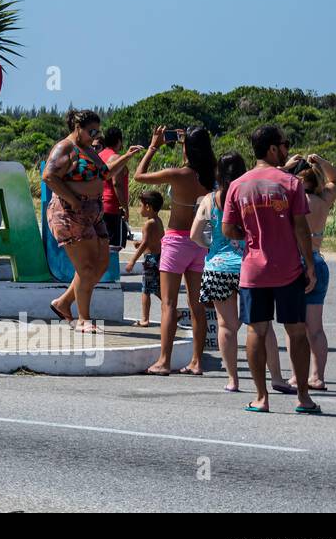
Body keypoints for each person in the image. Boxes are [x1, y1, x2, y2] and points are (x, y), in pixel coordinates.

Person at [223, 125, 320, 415]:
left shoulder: (238, 185)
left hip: (253, 271)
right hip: (288, 269)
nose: (287, 150)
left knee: (256, 330)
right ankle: (303, 397)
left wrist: (253, 238)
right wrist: (310, 265)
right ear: (272, 149)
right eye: (284, 144)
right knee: (296, 332)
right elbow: (301, 228)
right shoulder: (290, 183)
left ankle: (261, 397)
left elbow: (228, 228)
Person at [192, 151, 285, 393]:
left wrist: (211, 248)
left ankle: (233, 379)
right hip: (250, 266)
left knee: (226, 326)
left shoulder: (209, 200)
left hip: (218, 268)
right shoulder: (250, 196)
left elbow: (194, 235)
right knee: (263, 326)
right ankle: (276, 377)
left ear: (218, 173)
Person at [44, 110, 143, 332]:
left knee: (102, 264)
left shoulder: (88, 149)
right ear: (78, 127)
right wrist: (73, 199)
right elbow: (49, 176)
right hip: (71, 212)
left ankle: (63, 303)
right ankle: (83, 320)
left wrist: (126, 156)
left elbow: (104, 174)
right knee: (86, 267)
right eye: (91, 131)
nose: (95, 135)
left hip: (93, 212)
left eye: (98, 131)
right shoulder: (65, 148)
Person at [134, 126, 215, 376]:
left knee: (168, 304)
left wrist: (154, 145)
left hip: (177, 241)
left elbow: (139, 176)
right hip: (200, 242)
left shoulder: (177, 174)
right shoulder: (212, 177)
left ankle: (164, 361)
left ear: (187, 149)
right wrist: (186, 145)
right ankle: (196, 362)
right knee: (197, 305)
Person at [283, 152, 336, 389]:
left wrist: (285, 167)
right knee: (315, 327)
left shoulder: (291, 201)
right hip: (317, 260)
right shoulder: (323, 199)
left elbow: (266, 179)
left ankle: (298, 375)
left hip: (294, 263)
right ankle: (317, 376)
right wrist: (321, 161)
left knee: (294, 326)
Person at [124, 190, 163, 327]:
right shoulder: (158, 221)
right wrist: (140, 244)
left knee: (146, 290)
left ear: (148, 207)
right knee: (156, 288)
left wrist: (132, 260)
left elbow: (146, 243)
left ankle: (144, 319)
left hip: (150, 260)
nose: (139, 209)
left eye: (141, 205)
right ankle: (173, 310)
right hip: (158, 258)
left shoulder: (148, 224)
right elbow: (155, 240)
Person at [99, 127, 136, 253]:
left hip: (100, 206)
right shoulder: (116, 158)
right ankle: (110, 272)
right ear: (119, 141)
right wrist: (125, 207)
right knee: (113, 247)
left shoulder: (99, 155)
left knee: (102, 246)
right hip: (112, 208)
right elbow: (117, 184)